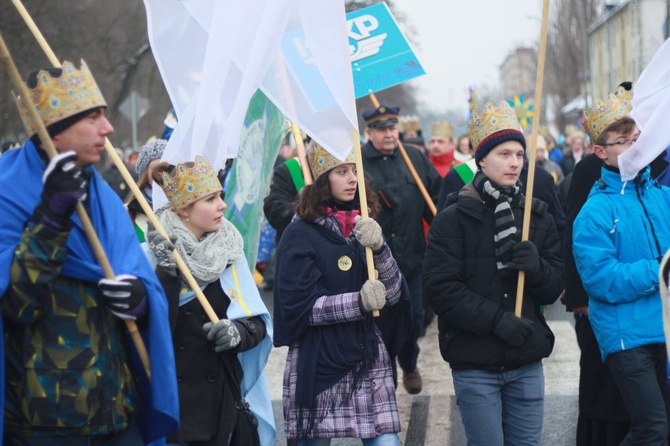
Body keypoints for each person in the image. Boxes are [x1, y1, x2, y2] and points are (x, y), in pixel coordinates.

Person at [0, 61, 178, 445]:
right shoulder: (5, 191)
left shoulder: (102, 195)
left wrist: (140, 300)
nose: (108, 128)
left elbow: (139, 280)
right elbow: (16, 304)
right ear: (55, 129)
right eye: (93, 117)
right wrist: (50, 217)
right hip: (44, 421)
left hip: (117, 412)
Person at [423, 101, 564, 445]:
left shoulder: (536, 217)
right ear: (481, 160)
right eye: (504, 153)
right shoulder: (453, 219)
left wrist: (536, 268)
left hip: (526, 360)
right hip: (475, 363)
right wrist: (497, 321)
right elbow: (441, 290)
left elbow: (552, 290)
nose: (515, 162)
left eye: (519, 153)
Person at [273, 142, 411, 445]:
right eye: (342, 172)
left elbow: (395, 292)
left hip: (367, 357)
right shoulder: (299, 233)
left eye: (355, 171)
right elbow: (300, 308)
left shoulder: (365, 224)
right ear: (323, 179)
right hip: (318, 361)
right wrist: (358, 302)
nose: (353, 179)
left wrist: (380, 248)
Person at [146, 155, 274, 446]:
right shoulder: (151, 253)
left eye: (220, 195)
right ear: (183, 210)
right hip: (172, 402)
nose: (222, 205)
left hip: (220, 403)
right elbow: (151, 333)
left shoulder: (230, 249)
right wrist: (167, 273)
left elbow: (256, 324)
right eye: (210, 199)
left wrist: (237, 333)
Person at [573, 91, 670, 445]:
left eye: (637, 138)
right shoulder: (594, 212)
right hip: (627, 337)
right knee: (652, 430)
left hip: (666, 327)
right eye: (622, 142)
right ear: (601, 152)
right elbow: (602, 280)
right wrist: (660, 271)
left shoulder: (662, 195)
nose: (634, 146)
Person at [361, 104, 441, 394]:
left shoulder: (416, 159)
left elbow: (436, 199)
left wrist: (444, 227)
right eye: (381, 129)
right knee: (379, 325)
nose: (388, 134)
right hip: (371, 263)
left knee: (414, 319)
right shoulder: (358, 163)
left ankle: (409, 363)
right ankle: (386, 379)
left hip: (410, 259)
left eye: (392, 128)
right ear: (369, 132)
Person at [125, 138, 168, 242]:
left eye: (166, 167)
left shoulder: (189, 211)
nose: (162, 174)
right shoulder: (126, 213)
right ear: (145, 175)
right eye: (156, 168)